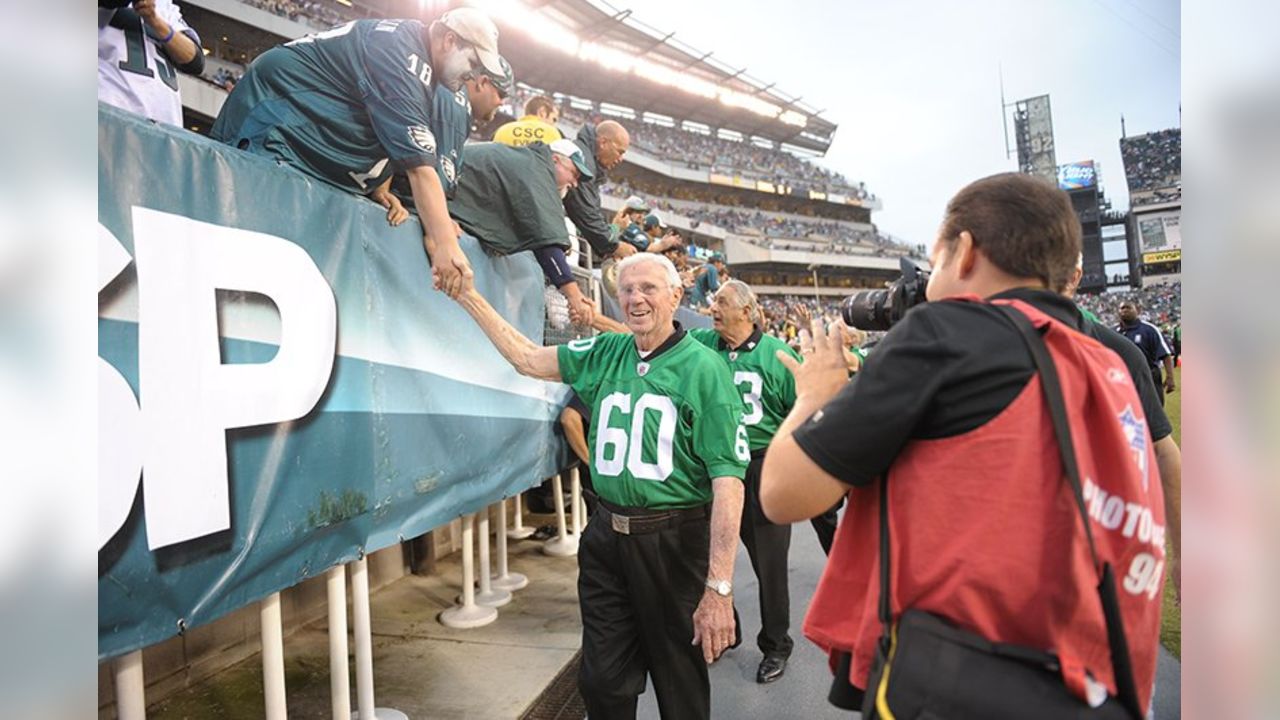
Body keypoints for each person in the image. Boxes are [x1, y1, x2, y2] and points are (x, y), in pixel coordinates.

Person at [760, 173, 1165, 716]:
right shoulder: (1106, 357)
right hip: (1093, 673)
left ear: (965, 252)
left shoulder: (949, 330)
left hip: (968, 674)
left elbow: (785, 494)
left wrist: (813, 394)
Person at [451, 253, 748, 719]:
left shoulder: (705, 370)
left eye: (648, 288)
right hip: (608, 535)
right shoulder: (608, 352)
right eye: (627, 289)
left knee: (679, 683)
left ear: (675, 296)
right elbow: (528, 358)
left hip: (673, 542)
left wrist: (719, 587)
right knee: (602, 682)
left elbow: (729, 483)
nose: (635, 298)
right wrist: (468, 295)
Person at [210, 9, 505, 298]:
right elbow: (420, 166)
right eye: (474, 61)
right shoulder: (400, 52)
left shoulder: (422, 61)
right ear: (449, 40)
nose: (473, 73)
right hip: (276, 114)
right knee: (239, 243)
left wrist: (379, 182)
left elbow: (383, 123)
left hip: (303, 129)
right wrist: (444, 245)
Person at [689, 280, 801, 684]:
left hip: (760, 468)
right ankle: (726, 625)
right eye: (713, 300)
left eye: (721, 302)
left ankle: (776, 645)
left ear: (748, 311)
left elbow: (805, 412)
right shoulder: (705, 343)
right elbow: (663, 338)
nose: (712, 307)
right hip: (715, 466)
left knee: (769, 566)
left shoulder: (778, 355)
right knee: (705, 555)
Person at [446, 139, 596, 325]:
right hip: (432, 190)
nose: (574, 183)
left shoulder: (529, 162)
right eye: (574, 174)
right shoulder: (536, 171)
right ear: (555, 160)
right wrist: (574, 296)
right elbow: (546, 244)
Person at [376, 54, 515, 225]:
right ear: (483, 82)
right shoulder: (455, 103)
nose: (502, 103)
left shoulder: (447, 91)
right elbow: (431, 176)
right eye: (501, 94)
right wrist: (439, 221)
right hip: (398, 207)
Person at [98, 0, 204, 126]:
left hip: (163, 128)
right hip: (111, 114)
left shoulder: (164, 5)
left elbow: (195, 61)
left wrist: (154, 21)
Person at [563, 120, 636, 262]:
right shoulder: (583, 159)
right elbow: (585, 213)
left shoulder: (586, 157)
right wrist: (613, 245)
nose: (621, 159)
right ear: (603, 142)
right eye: (620, 152)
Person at [1116, 300, 1177, 404]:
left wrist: (1170, 377)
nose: (1125, 310)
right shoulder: (1112, 331)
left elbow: (1165, 355)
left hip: (1148, 377)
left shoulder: (1150, 329)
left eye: (1128, 308)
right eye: (1122, 308)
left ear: (1138, 310)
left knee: (1153, 411)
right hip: (1123, 379)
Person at [492, 95, 563, 147]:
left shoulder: (502, 131)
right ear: (542, 112)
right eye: (553, 119)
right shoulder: (553, 134)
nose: (553, 124)